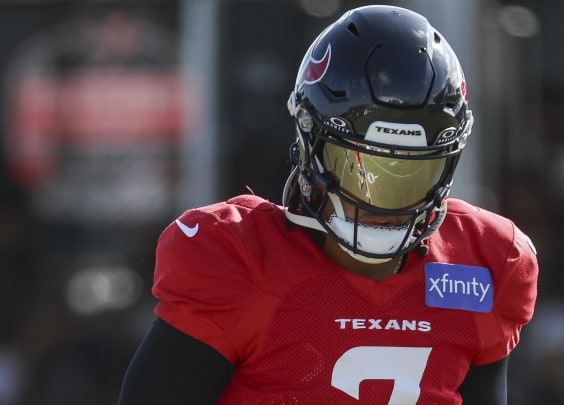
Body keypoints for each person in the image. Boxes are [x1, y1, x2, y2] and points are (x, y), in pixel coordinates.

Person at [118, 4, 538, 404]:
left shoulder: (487, 261)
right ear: (308, 142)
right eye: (360, 166)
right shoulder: (238, 258)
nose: (380, 202)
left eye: (410, 173)